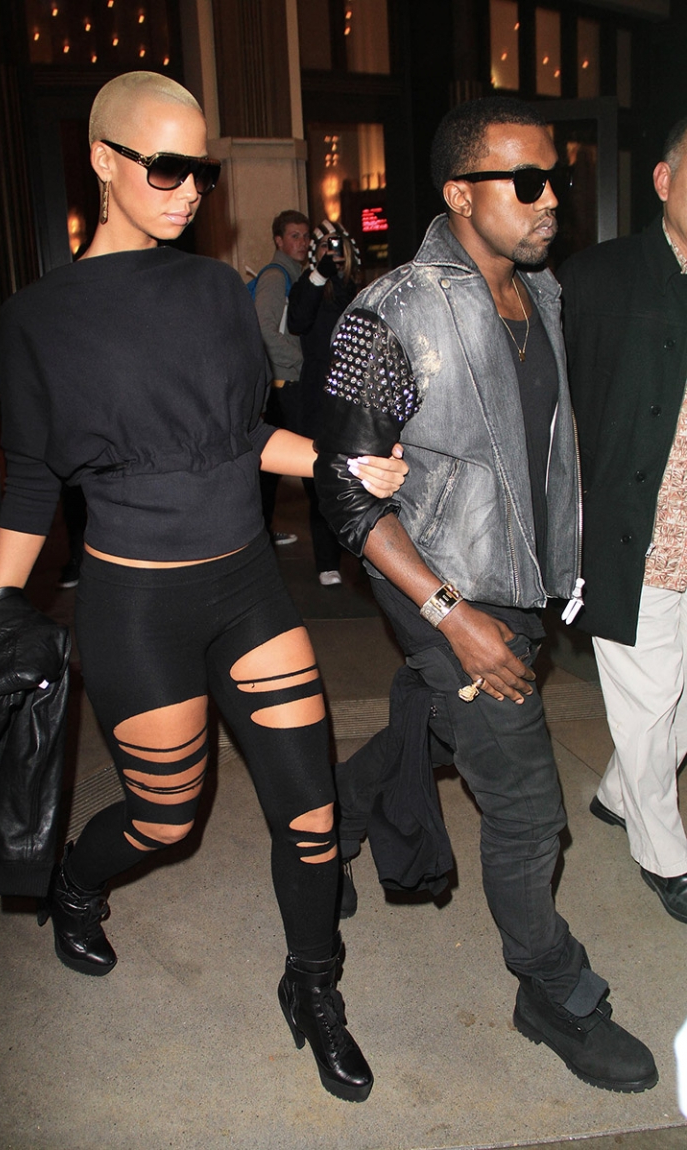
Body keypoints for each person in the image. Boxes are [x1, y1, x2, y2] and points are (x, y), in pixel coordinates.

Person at [0, 70, 408, 1103]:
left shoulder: (219, 290)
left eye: (202, 172)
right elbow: (32, 484)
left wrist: (342, 465)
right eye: (166, 168)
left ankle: (314, 985)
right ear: (103, 161)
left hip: (247, 588)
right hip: (137, 609)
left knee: (310, 814)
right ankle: (75, 884)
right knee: (165, 819)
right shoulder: (38, 318)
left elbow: (246, 437)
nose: (188, 192)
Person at [313, 95, 658, 1093]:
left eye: (557, 179)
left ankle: (329, 819)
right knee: (527, 808)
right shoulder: (390, 311)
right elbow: (345, 494)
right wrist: (450, 616)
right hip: (442, 587)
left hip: (518, 582)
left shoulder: (542, 295)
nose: (551, 199)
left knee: (434, 728)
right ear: (461, 193)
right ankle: (549, 986)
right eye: (528, 181)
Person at [558, 117, 687, 925]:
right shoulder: (597, 279)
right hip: (637, 538)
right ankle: (665, 854)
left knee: (670, 708)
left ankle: (616, 792)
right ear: (664, 182)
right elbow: (550, 407)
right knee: (649, 701)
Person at [288, 219, 360, 586]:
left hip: (350, 391)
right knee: (319, 472)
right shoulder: (308, 284)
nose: (332, 251)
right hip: (318, 390)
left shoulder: (352, 288)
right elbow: (297, 322)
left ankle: (354, 545)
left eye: (338, 244)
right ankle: (326, 560)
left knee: (354, 472)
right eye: (325, 244)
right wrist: (319, 275)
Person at [253, 209, 310, 546]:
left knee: (270, 470)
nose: (302, 242)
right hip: (283, 384)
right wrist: (303, 360)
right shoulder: (277, 277)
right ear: (279, 240)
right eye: (294, 236)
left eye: (305, 236)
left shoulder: (294, 274)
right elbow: (264, 330)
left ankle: (262, 533)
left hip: (285, 382)